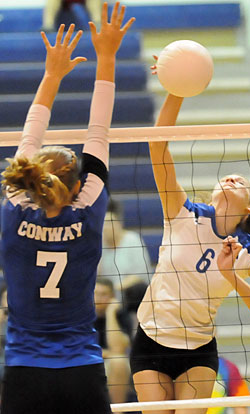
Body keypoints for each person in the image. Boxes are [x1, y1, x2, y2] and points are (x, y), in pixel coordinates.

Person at [0, 3, 135, 414]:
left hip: (23, 370)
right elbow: (100, 127)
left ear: (32, 176)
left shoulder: (16, 204)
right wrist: (107, 57)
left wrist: (51, 74)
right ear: (77, 185)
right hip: (81, 366)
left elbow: (31, 131)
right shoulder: (90, 205)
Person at [129, 78, 250, 413]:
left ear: (248, 209)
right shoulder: (182, 213)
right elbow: (157, 146)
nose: (232, 178)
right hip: (151, 337)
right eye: (228, 176)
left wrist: (231, 275)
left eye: (242, 182)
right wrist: (178, 86)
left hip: (197, 349)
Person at [94, 278, 132, 412]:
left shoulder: (121, 315)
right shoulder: (82, 314)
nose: (98, 298)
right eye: (96, 293)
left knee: (119, 362)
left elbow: (118, 350)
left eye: (104, 294)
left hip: (109, 364)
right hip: (88, 362)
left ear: (112, 297)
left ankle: (116, 411)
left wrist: (111, 314)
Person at [98, 199, 153, 291]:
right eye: (102, 224)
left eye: (108, 223)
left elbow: (141, 275)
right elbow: (97, 275)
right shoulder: (100, 245)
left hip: (129, 294)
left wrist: (115, 290)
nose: (105, 227)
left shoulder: (132, 240)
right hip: (106, 296)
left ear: (119, 223)